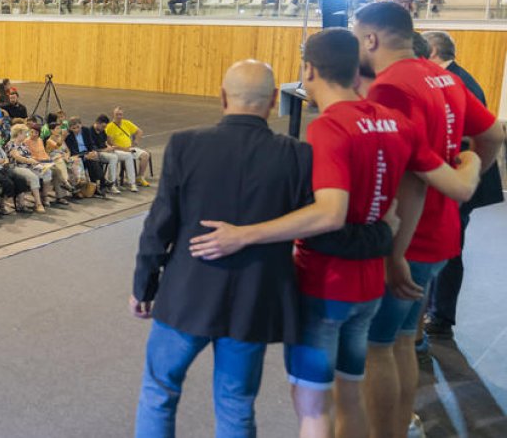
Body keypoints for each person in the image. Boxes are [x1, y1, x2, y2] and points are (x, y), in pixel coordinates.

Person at [187, 30, 483, 438]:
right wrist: (470, 159)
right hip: (367, 287)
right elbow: (450, 185)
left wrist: (245, 234)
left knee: (313, 408)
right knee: (350, 394)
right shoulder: (395, 122)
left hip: (326, 284)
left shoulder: (329, 128)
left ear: (308, 70)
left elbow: (330, 213)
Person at [132, 60, 315, 437]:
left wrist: (143, 287)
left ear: (222, 97)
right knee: (236, 405)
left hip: (186, 297)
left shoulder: (185, 145)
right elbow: (309, 225)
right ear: (273, 102)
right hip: (253, 302)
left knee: (159, 393)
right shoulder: (298, 155)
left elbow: (159, 224)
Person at [350, 2, 502, 438]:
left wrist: (393, 252)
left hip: (406, 240)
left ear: (371, 39)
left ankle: (385, 430)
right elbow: (491, 135)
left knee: (377, 347)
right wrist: (464, 175)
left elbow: (408, 179)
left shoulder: (392, 88)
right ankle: (400, 423)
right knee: (400, 339)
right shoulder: (445, 77)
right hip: (440, 230)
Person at [421, 31, 505, 341]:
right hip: (461, 179)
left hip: (464, 181)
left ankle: (441, 316)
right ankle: (435, 310)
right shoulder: (453, 78)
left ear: (431, 52)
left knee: (450, 248)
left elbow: (480, 136)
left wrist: (464, 180)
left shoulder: (459, 83)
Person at [104, 107, 151, 191]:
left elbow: (139, 131)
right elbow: (110, 143)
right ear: (113, 115)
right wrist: (123, 149)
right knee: (127, 155)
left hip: (130, 148)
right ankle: (120, 180)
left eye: (120, 114)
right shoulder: (109, 127)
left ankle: (140, 177)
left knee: (145, 155)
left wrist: (135, 142)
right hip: (118, 149)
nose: (119, 116)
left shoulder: (127, 123)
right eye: (117, 114)